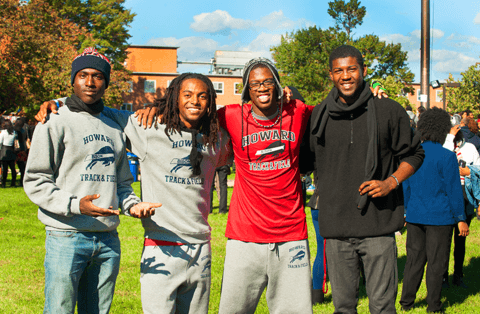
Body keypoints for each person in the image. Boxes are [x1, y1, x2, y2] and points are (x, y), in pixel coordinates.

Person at [37, 72, 233, 314]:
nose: (195, 101)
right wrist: (58, 103)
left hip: (201, 246)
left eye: (203, 96)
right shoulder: (148, 128)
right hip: (161, 243)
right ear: (174, 99)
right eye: (188, 95)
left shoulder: (218, 138)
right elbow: (96, 107)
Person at [24, 47, 160, 314]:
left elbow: (121, 183)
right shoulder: (53, 120)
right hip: (66, 235)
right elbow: (36, 180)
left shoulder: (114, 125)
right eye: (83, 75)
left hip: (108, 239)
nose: (89, 82)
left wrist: (132, 205)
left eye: (97, 76)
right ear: (73, 80)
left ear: (106, 83)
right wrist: (76, 205)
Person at [301, 45, 425, 314]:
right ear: (331, 75)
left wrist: (391, 182)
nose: (346, 76)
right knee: (343, 308)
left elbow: (415, 153)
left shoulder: (389, 111)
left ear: (364, 70)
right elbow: (303, 162)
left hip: (378, 227)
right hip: (335, 229)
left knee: (382, 307)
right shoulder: (318, 115)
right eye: (339, 70)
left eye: (352, 69)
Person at [400, 108, 468, 313]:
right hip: (440, 218)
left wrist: (405, 212)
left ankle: (406, 303)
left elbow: (406, 186)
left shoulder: (412, 155)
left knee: (414, 260)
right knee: (437, 264)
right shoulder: (447, 157)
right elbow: (454, 190)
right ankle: (434, 305)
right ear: (442, 129)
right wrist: (461, 218)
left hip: (414, 215)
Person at [442, 123, 479, 288]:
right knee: (444, 240)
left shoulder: (471, 147)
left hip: (465, 193)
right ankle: (443, 277)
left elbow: (479, 168)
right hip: (447, 194)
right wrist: (449, 138)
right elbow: (442, 160)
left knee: (460, 239)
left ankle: (458, 275)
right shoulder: (445, 144)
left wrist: (469, 171)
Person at [0, 119, 17, 188]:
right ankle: (13, 182)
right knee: (13, 168)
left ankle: (3, 183)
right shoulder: (14, 132)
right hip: (11, 150)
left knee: (5, 169)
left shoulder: (3, 132)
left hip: (4, 150)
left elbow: (0, 142)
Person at [14, 117, 28, 186]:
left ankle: (15, 181)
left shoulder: (15, 131)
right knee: (22, 167)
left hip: (17, 149)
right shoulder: (24, 130)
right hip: (23, 149)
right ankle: (22, 181)